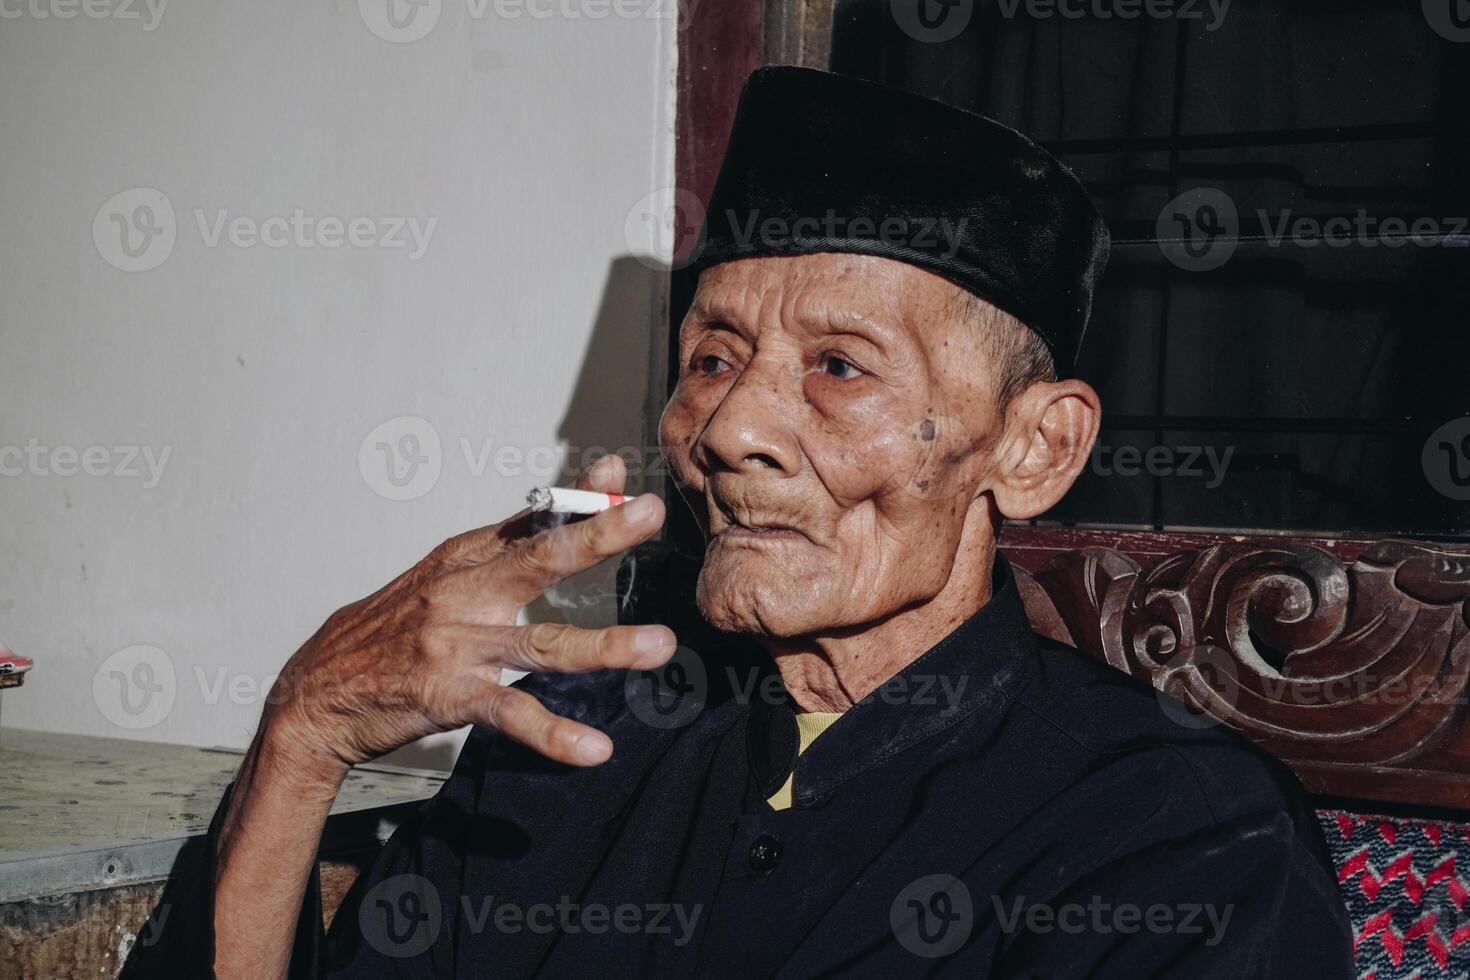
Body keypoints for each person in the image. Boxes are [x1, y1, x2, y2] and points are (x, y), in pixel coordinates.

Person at [125, 66, 1354, 979]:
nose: (727, 428)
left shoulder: (1172, 835)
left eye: (839, 366)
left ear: (1032, 449)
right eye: (711, 356)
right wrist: (307, 726)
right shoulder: (567, 750)